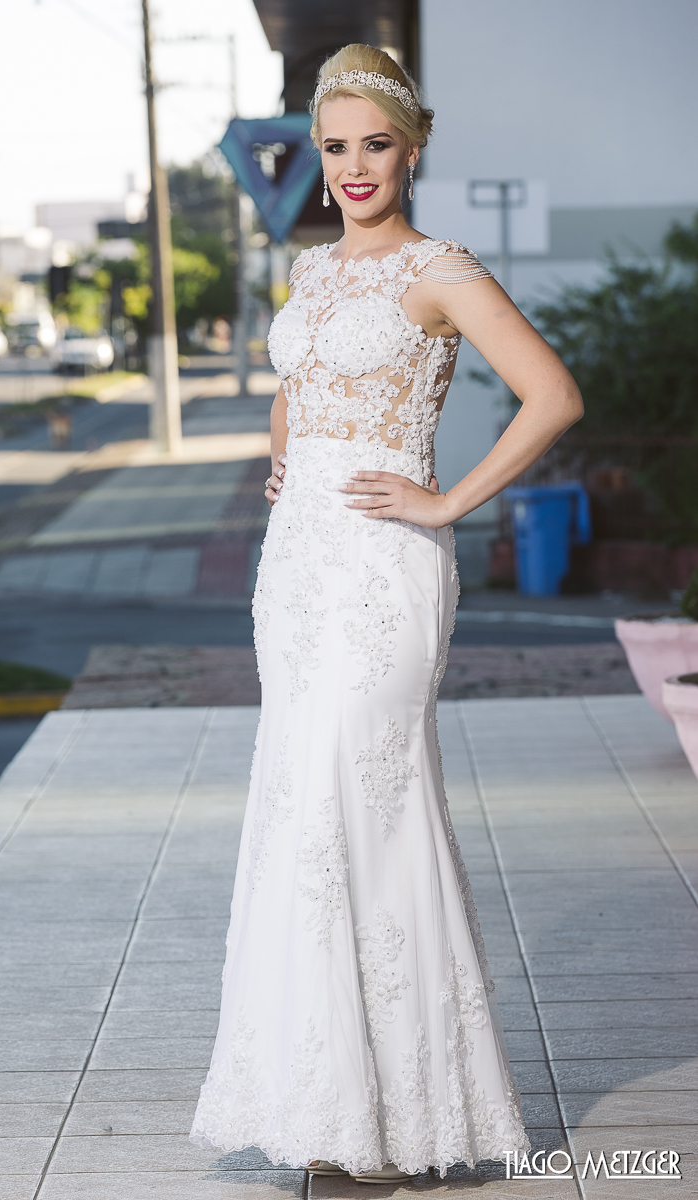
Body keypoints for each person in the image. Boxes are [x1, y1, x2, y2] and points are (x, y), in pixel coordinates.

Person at [190, 43, 583, 1184]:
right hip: (298, 567)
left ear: (411, 150)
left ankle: (398, 1124)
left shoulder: (440, 269)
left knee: (364, 804)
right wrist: (285, 459)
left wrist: (446, 501)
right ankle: (325, 1110)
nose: (353, 166)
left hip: (384, 567)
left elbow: (553, 395)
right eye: (334, 146)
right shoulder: (311, 273)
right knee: (298, 810)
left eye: (375, 144)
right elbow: (295, 389)